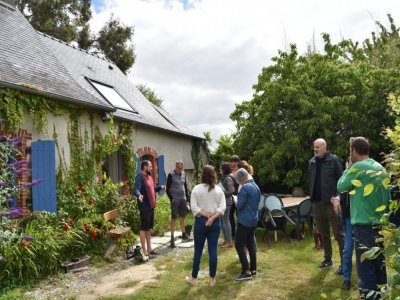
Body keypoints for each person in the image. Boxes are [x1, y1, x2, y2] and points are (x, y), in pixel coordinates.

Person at [337, 137, 389, 299]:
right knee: (379, 268)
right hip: (380, 226)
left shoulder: (357, 168)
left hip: (364, 227)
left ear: (353, 151)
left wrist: (349, 167)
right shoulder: (379, 167)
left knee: (366, 272)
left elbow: (340, 186)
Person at [308, 138, 345, 273]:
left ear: (324, 147)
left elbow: (342, 181)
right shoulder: (312, 162)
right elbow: (312, 181)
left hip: (331, 204)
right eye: (314, 147)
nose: (315, 149)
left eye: (318, 147)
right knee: (323, 234)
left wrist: (338, 198)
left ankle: (344, 264)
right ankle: (327, 259)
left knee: (339, 234)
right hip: (317, 204)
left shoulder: (333, 160)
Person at [186, 165, 226, 287]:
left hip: (200, 222)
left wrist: (205, 215)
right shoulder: (219, 190)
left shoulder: (196, 189)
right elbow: (222, 207)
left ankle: (193, 279)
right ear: (214, 175)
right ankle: (212, 279)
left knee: (198, 251)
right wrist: (212, 217)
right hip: (215, 222)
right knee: (212, 250)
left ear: (202, 174)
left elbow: (193, 207)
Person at [134, 160, 165, 259]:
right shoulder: (139, 178)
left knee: (148, 228)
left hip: (151, 206)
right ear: (145, 167)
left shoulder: (150, 178)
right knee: (144, 228)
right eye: (150, 166)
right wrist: (139, 195)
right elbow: (136, 189)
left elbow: (152, 189)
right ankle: (144, 251)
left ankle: (149, 249)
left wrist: (159, 187)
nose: (152, 168)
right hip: (144, 207)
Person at [234, 168, 260, 281]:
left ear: (242, 178)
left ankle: (246, 271)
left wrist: (236, 200)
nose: (239, 182)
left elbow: (239, 206)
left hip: (244, 220)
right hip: (254, 219)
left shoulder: (245, 188)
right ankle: (253, 268)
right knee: (250, 244)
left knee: (239, 244)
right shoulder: (255, 186)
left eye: (239, 180)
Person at [332, 157, 353, 290]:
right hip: (348, 218)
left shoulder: (363, 177)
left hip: (362, 218)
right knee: (347, 249)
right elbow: (341, 192)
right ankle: (347, 278)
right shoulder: (347, 177)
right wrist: (338, 199)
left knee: (362, 249)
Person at [166, 160, 190, 248]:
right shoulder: (171, 174)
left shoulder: (183, 174)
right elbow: (167, 189)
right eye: (179, 168)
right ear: (176, 167)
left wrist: (187, 199)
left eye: (182, 168)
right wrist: (171, 199)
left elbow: (186, 187)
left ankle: (183, 234)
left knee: (182, 217)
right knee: (173, 218)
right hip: (175, 199)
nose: (180, 170)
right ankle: (172, 238)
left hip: (183, 199)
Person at [219, 162, 235, 248]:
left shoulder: (228, 178)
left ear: (224, 169)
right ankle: (226, 240)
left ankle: (229, 241)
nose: (219, 169)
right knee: (223, 222)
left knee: (226, 221)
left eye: (220, 168)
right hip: (222, 203)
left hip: (227, 203)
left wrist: (220, 190)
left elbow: (230, 192)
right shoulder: (223, 178)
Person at [229, 155, 240, 239]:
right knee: (230, 215)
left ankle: (239, 233)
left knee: (239, 215)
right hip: (231, 197)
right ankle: (232, 233)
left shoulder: (240, 172)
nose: (232, 163)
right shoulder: (229, 173)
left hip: (239, 196)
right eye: (231, 161)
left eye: (234, 161)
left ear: (237, 162)